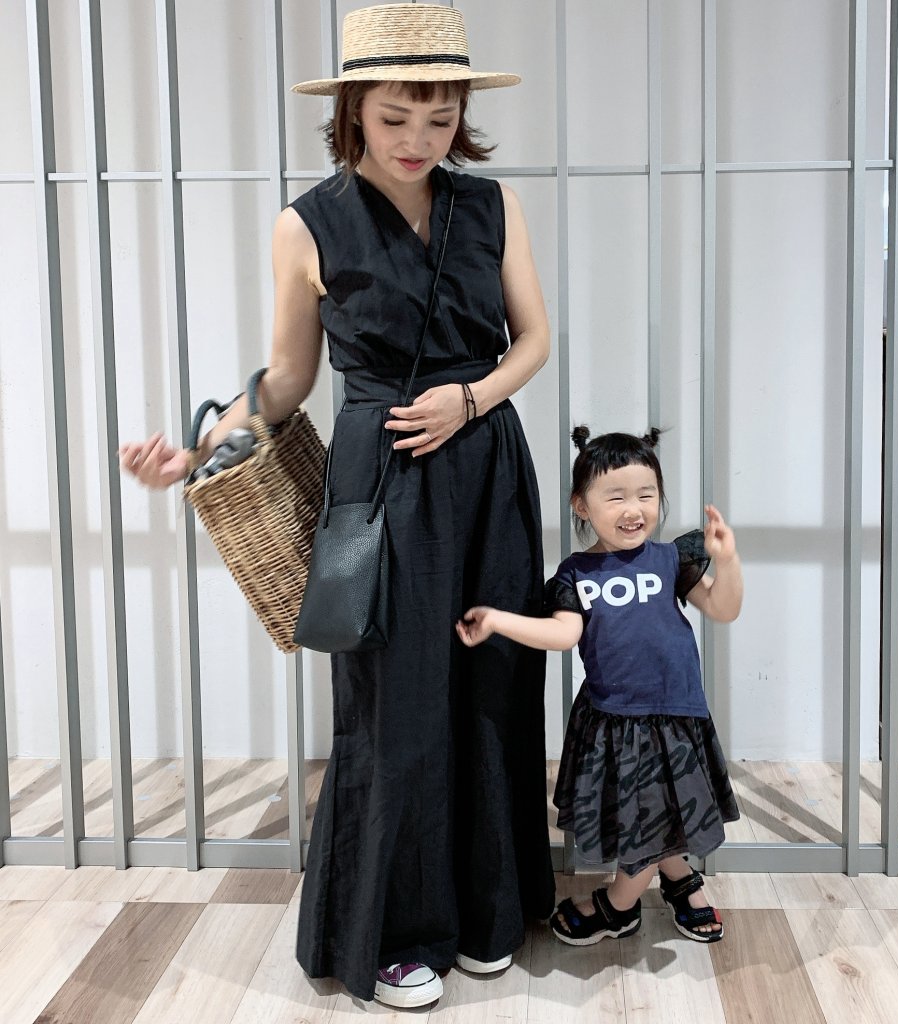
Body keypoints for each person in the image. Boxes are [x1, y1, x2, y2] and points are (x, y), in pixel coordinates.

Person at [119, 3, 555, 1010]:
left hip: (488, 466)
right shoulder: (306, 222)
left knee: (492, 682)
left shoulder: (493, 205)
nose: (418, 139)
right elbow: (286, 379)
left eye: (440, 118)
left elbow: (533, 339)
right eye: (396, 116)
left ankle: (487, 910)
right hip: (381, 480)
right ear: (354, 108)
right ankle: (396, 933)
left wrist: (470, 399)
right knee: (392, 702)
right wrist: (198, 449)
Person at [457, 427, 743, 946]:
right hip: (615, 720)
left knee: (658, 811)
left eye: (646, 495)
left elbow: (724, 609)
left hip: (675, 717)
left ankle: (618, 905)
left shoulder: (671, 560)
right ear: (582, 506)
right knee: (645, 815)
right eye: (616, 497)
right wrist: (498, 621)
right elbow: (564, 635)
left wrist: (726, 561)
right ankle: (679, 877)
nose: (634, 510)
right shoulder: (576, 573)